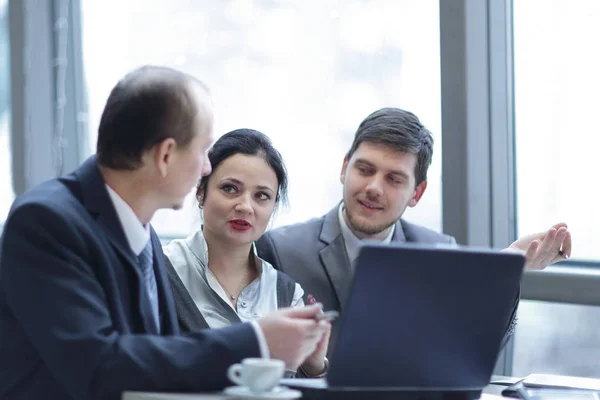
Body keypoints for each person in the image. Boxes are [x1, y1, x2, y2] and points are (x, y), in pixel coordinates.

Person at [0, 66, 328, 400]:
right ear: (166, 155)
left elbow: (161, 363)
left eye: (262, 196)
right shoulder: (46, 221)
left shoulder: (146, 235)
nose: (205, 168)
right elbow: (99, 367)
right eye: (203, 151)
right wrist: (256, 340)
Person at [256, 107, 572, 350]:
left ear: (417, 193)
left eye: (394, 179)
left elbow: (467, 353)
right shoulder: (278, 250)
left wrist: (504, 273)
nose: (374, 188)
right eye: (364, 170)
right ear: (344, 168)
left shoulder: (441, 255)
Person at [163, 128, 330, 378]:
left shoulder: (287, 294)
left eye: (262, 196)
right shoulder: (159, 269)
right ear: (201, 191)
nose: (245, 206)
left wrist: (315, 366)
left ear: (273, 208)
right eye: (230, 188)